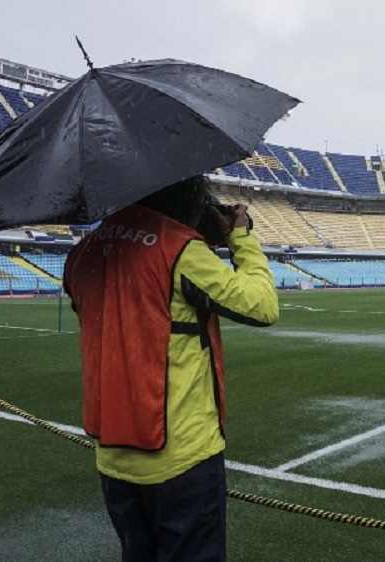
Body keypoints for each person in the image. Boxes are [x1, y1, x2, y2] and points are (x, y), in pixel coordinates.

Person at [63, 174, 278, 561]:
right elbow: (262, 305)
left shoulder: (84, 252)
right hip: (181, 458)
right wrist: (240, 237)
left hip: (112, 455)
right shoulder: (179, 250)